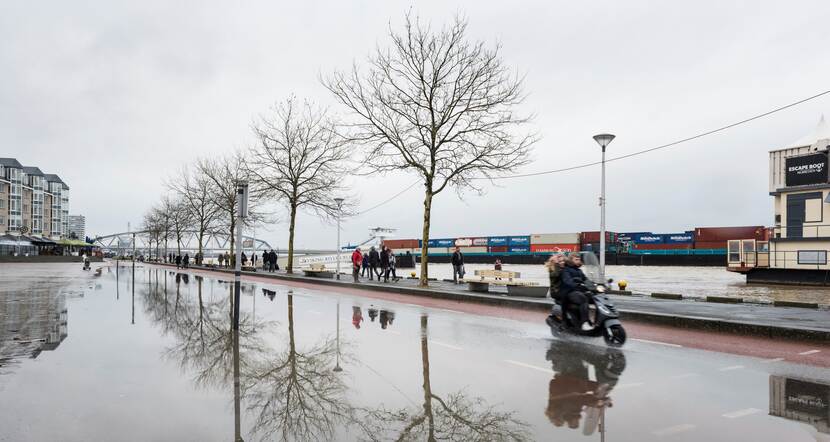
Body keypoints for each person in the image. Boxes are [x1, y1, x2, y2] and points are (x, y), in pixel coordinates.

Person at [559, 254, 592, 331]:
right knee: (583, 298)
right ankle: (585, 322)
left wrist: (595, 286)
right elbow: (568, 281)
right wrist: (576, 285)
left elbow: (586, 280)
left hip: (578, 291)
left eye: (579, 259)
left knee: (593, 297)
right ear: (571, 260)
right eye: (576, 259)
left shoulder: (579, 271)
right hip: (569, 292)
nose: (578, 261)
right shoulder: (566, 270)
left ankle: (592, 320)